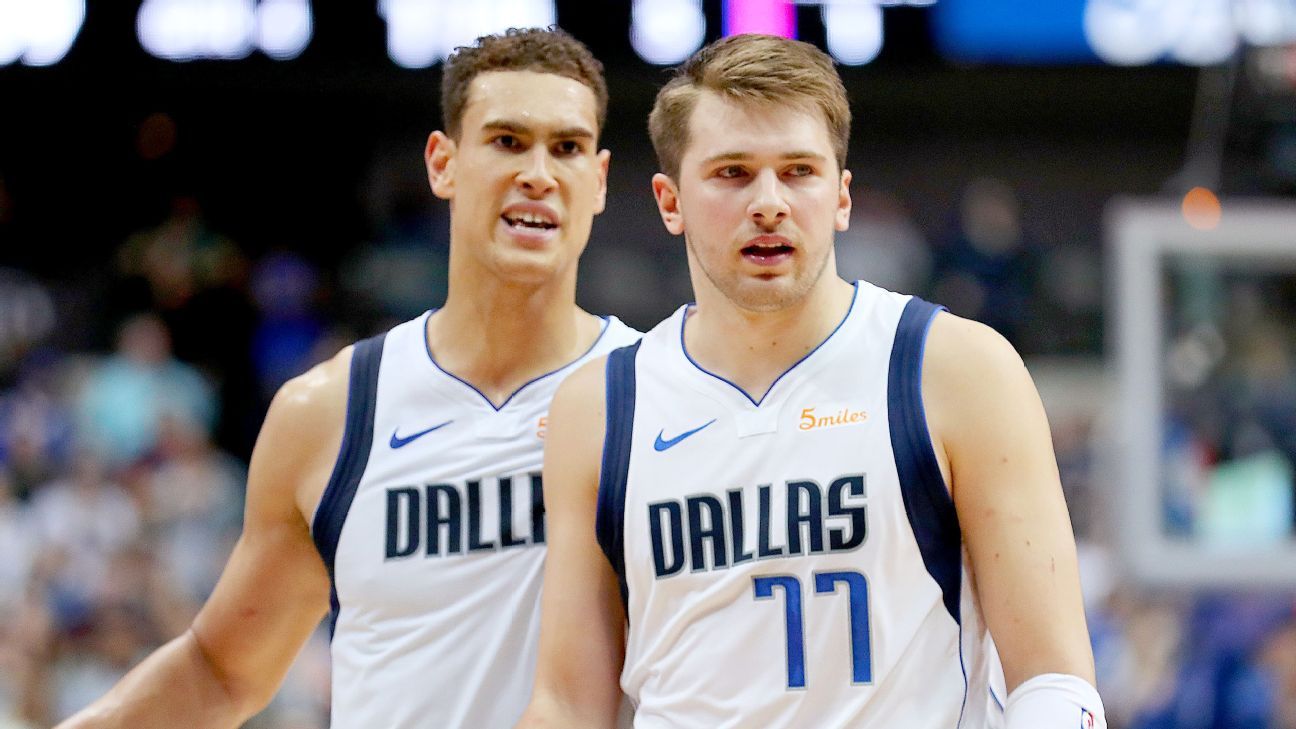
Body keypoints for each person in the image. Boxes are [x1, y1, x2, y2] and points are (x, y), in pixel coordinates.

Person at [58, 26, 639, 729]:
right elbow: (220, 668)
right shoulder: (329, 411)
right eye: (508, 141)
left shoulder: (659, 393)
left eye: (567, 147)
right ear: (443, 163)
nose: (539, 173)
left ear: (600, 180)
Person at [519, 34, 1105, 729]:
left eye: (798, 171)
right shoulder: (600, 407)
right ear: (669, 201)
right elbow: (566, 702)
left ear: (842, 196)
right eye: (732, 173)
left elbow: (1054, 680)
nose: (769, 202)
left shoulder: (955, 369)